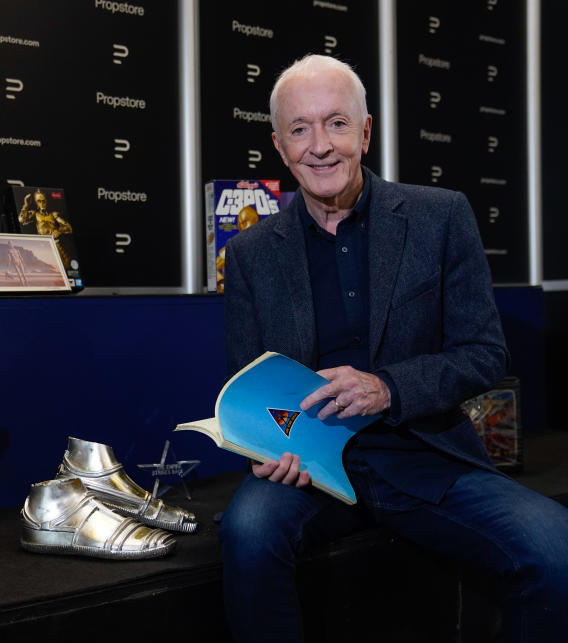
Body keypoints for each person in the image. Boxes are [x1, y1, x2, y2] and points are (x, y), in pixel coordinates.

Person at [219, 54, 568, 642]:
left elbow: (484, 352)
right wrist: (260, 443)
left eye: (336, 123)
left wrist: (387, 388)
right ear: (279, 147)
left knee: (558, 549)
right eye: (300, 129)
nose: (320, 145)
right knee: (246, 534)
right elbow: (247, 378)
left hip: (423, 452)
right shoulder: (252, 252)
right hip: (308, 464)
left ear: (366, 131)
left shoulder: (441, 216)